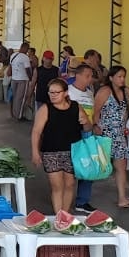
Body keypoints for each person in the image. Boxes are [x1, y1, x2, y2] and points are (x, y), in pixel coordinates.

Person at [31, 77, 88, 215]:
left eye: (57, 92)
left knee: (70, 184)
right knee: (57, 186)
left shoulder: (76, 107)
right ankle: (59, 215)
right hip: (51, 152)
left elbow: (87, 128)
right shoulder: (45, 109)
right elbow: (36, 132)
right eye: (51, 92)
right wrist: (35, 152)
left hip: (73, 151)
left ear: (65, 93)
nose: (53, 95)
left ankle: (65, 214)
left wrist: (86, 121)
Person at [94, 65, 129, 208]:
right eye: (119, 76)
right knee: (98, 166)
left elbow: (126, 111)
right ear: (111, 78)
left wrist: (126, 126)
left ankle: (122, 198)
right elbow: (96, 111)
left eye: (124, 76)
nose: (122, 79)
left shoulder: (126, 91)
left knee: (121, 166)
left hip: (119, 134)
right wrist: (95, 126)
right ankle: (82, 198)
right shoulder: (105, 91)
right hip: (105, 133)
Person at [67, 63, 97, 213]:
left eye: (91, 76)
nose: (90, 79)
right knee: (70, 168)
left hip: (87, 133)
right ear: (77, 75)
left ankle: (82, 201)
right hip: (71, 133)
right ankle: (65, 200)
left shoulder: (90, 93)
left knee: (88, 167)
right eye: (87, 76)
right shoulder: (68, 92)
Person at [9, 42, 32, 120]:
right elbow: (27, 69)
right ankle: (19, 116)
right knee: (21, 98)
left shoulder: (13, 55)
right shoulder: (25, 57)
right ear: (25, 48)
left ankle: (14, 114)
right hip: (23, 79)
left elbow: (10, 66)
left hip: (14, 79)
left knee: (15, 97)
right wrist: (31, 78)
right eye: (27, 49)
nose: (27, 51)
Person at [34, 50, 59, 118]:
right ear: (43, 58)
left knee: (52, 116)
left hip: (53, 97)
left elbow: (59, 84)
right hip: (40, 97)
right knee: (40, 116)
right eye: (47, 58)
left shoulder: (56, 70)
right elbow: (33, 83)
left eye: (50, 59)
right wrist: (29, 96)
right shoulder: (38, 70)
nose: (48, 60)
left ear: (53, 59)